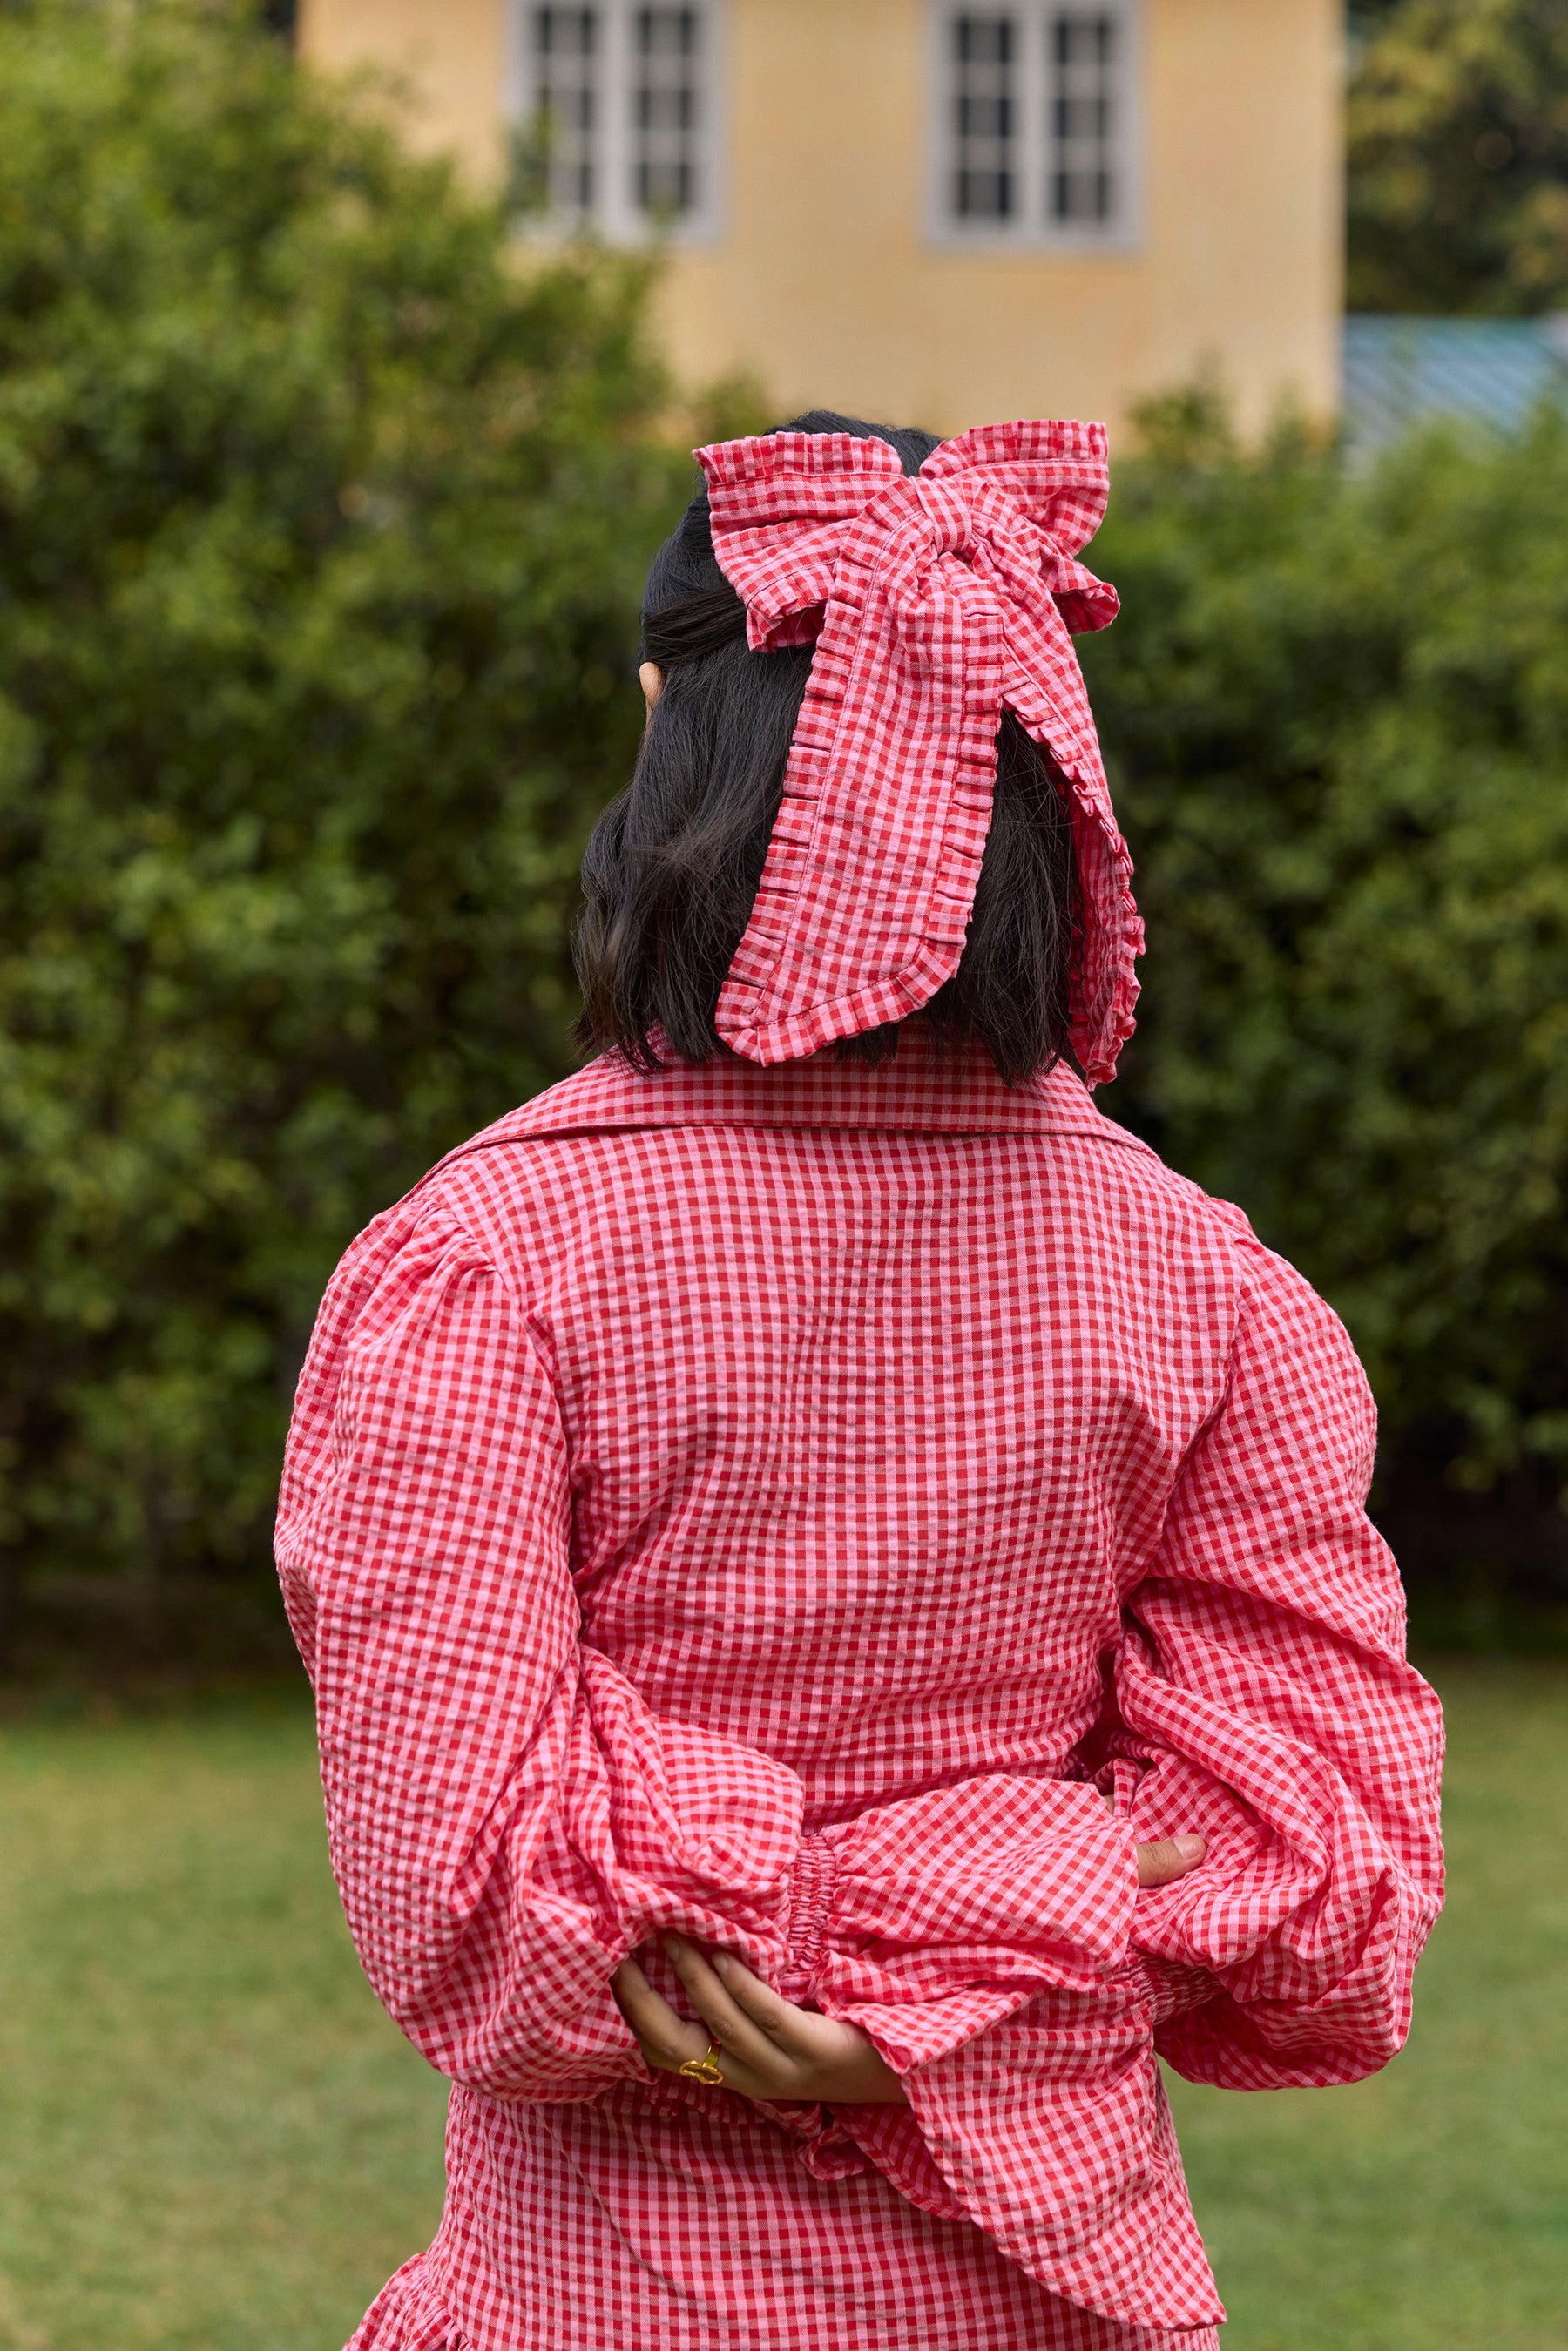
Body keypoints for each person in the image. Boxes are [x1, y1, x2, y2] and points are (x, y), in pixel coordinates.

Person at [275, 413, 1445, 2351]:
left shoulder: (479, 1275)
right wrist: (1032, 1905)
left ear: (668, 719)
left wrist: (742, 1900)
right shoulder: (1208, 1290)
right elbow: (1301, 1867)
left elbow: (480, 1907)